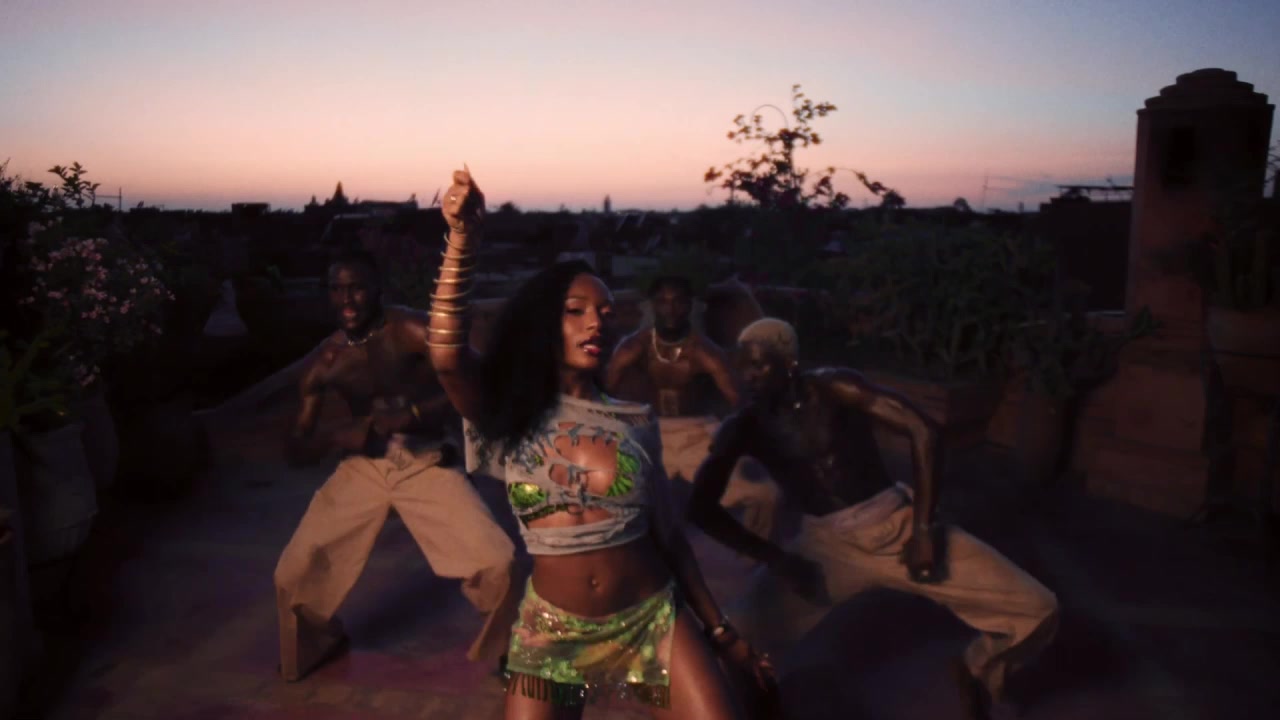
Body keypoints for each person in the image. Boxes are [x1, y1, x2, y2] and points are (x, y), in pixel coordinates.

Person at [427, 168, 772, 719]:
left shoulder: (633, 420)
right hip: (554, 630)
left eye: (606, 314)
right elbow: (446, 356)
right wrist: (462, 240)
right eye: (576, 311)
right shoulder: (509, 411)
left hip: (650, 619)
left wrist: (722, 633)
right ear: (547, 323)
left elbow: (671, 539)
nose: (596, 323)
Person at [688, 318, 1059, 720]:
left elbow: (923, 430)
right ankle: (757, 705)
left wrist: (923, 530)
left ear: (789, 363)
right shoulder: (743, 427)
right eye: (742, 366)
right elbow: (700, 507)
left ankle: (977, 670)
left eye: (758, 366)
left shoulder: (835, 387)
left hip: (896, 525)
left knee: (1037, 608)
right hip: (826, 547)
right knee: (731, 639)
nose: (747, 377)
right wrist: (776, 558)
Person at [272, 248, 521, 682]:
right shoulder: (324, 363)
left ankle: (510, 649)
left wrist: (415, 415)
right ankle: (319, 642)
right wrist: (335, 437)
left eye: (357, 288)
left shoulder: (411, 331)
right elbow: (296, 449)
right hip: (363, 466)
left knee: (498, 562)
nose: (347, 300)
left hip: (425, 460)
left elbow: (481, 381)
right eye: (337, 289)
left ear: (377, 289)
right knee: (292, 574)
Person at [605, 276, 781, 540]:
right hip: (650, 431)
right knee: (604, 490)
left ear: (689, 306)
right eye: (663, 302)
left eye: (678, 302)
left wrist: (736, 443)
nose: (670, 309)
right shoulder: (633, 347)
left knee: (765, 494)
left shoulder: (705, 352)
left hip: (696, 434)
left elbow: (739, 402)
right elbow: (603, 395)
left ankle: (756, 558)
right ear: (653, 305)